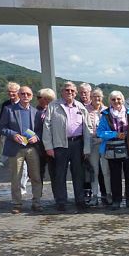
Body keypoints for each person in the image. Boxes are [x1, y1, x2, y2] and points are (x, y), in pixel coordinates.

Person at [42, 81, 91, 212]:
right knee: (60, 174)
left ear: (76, 93)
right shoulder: (53, 106)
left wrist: (87, 148)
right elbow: (46, 127)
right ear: (62, 91)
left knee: (78, 174)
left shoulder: (80, 107)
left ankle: (80, 200)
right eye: (67, 90)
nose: (69, 92)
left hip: (78, 144)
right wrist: (48, 146)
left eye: (72, 91)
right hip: (60, 145)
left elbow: (88, 128)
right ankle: (61, 201)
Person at [0, 86, 43, 214]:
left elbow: (40, 130)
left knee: (36, 176)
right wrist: (13, 134)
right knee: (16, 177)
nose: (25, 96)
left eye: (28, 94)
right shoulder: (9, 110)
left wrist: (37, 137)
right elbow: (2, 128)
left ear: (31, 96)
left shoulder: (36, 112)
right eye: (22, 93)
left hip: (32, 148)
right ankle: (17, 203)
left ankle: (37, 202)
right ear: (18, 95)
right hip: (15, 147)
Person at [97, 91, 129, 210]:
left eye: (118, 99)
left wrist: (128, 134)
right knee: (115, 175)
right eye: (113, 99)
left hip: (128, 147)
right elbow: (100, 132)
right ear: (110, 101)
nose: (116, 101)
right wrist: (115, 134)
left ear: (123, 100)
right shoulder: (105, 114)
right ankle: (116, 200)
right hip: (112, 148)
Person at [0, 82, 27, 194]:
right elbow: (2, 122)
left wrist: (26, 139)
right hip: (8, 137)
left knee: (22, 163)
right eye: (9, 92)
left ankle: (21, 187)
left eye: (13, 92)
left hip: (23, 138)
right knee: (5, 160)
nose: (11, 94)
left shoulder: (24, 104)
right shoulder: (5, 105)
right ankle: (17, 180)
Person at [86, 88, 110, 206]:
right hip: (91, 144)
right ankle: (95, 195)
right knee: (94, 171)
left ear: (102, 98)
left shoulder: (107, 111)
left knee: (106, 171)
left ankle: (108, 194)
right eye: (94, 96)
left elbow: (110, 128)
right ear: (91, 97)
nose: (97, 99)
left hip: (104, 143)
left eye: (99, 96)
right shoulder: (85, 110)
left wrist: (102, 137)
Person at [35, 88, 56, 182]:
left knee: (54, 171)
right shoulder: (34, 112)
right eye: (38, 97)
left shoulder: (55, 111)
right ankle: (38, 194)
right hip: (38, 146)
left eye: (41, 97)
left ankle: (57, 194)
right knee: (39, 172)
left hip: (53, 145)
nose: (39, 99)